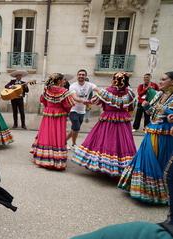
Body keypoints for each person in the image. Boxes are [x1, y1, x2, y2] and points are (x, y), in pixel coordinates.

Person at [118, 71, 173, 204]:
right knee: (144, 157)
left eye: (164, 79)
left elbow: (169, 114)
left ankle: (158, 194)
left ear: (172, 82)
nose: (160, 81)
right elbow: (151, 112)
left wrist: (166, 111)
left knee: (159, 160)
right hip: (151, 131)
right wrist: (147, 106)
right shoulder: (159, 94)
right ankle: (142, 190)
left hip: (164, 134)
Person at [72, 72, 137, 176]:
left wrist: (86, 101)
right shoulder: (130, 93)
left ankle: (103, 166)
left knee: (106, 140)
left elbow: (95, 101)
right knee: (122, 143)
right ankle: (121, 167)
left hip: (108, 119)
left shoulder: (107, 91)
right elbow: (132, 107)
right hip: (123, 120)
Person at [31, 73, 75, 170]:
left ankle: (43, 157)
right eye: (63, 80)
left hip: (48, 113)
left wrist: (50, 107)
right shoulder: (64, 91)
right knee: (57, 134)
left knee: (46, 133)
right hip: (59, 115)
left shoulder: (47, 90)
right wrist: (65, 111)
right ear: (59, 81)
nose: (64, 81)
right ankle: (56, 159)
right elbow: (68, 105)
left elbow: (43, 100)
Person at [66, 69, 96, 150]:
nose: (81, 76)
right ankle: (74, 144)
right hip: (73, 109)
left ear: (85, 76)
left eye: (83, 75)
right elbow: (75, 98)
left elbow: (97, 90)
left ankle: (64, 142)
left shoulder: (90, 85)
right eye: (79, 74)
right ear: (77, 76)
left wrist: (100, 96)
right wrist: (84, 101)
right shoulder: (73, 86)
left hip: (82, 111)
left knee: (74, 129)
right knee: (76, 126)